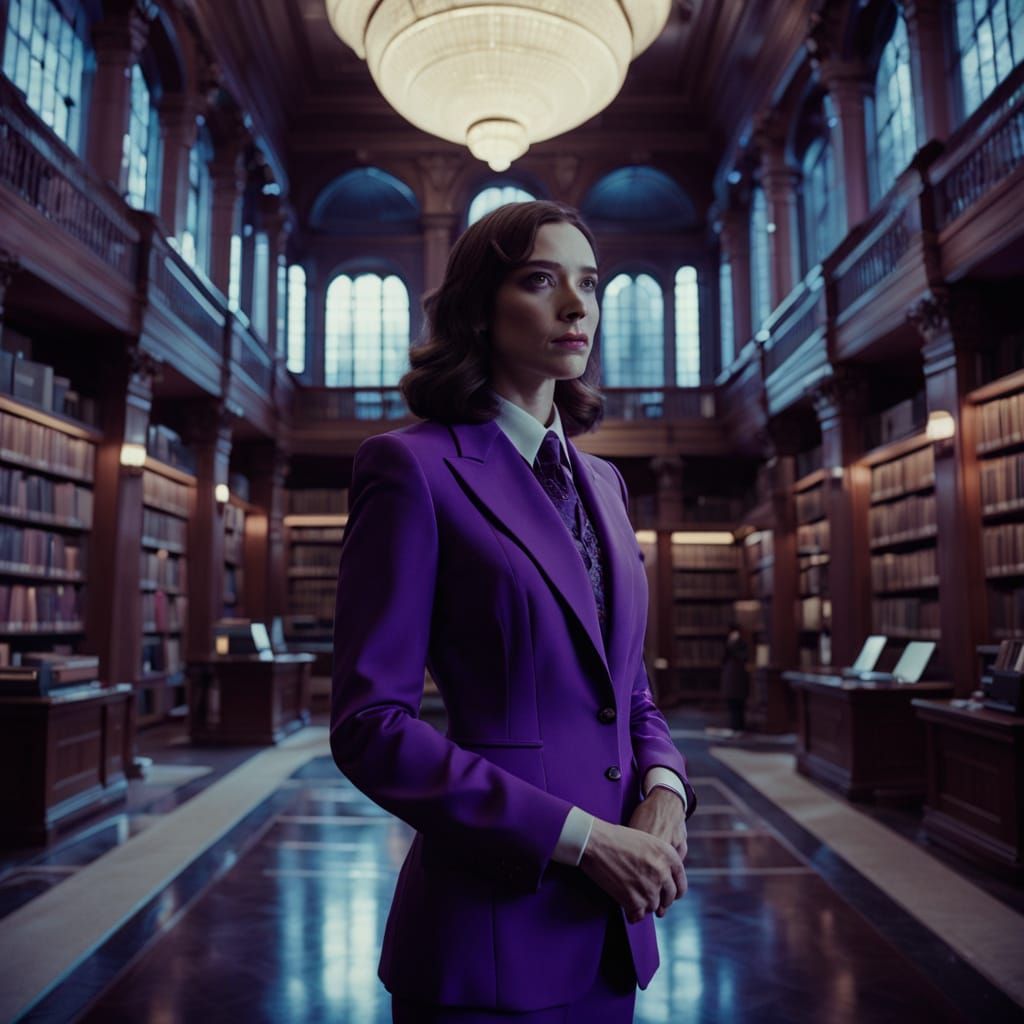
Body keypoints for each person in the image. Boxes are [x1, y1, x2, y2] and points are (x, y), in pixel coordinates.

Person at [331, 200, 697, 1023]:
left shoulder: (604, 483)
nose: (578, 306)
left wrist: (667, 787)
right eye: (541, 280)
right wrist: (584, 839)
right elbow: (370, 726)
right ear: (480, 309)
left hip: (615, 930)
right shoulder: (409, 469)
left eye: (590, 284)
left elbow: (627, 688)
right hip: (487, 935)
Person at [721, 622, 750, 734]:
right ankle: (734, 726)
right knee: (732, 703)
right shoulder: (728, 643)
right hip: (730, 677)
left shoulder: (741, 643)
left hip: (738, 677)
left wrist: (732, 645)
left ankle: (739, 727)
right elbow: (723, 659)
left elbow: (744, 657)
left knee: (739, 704)